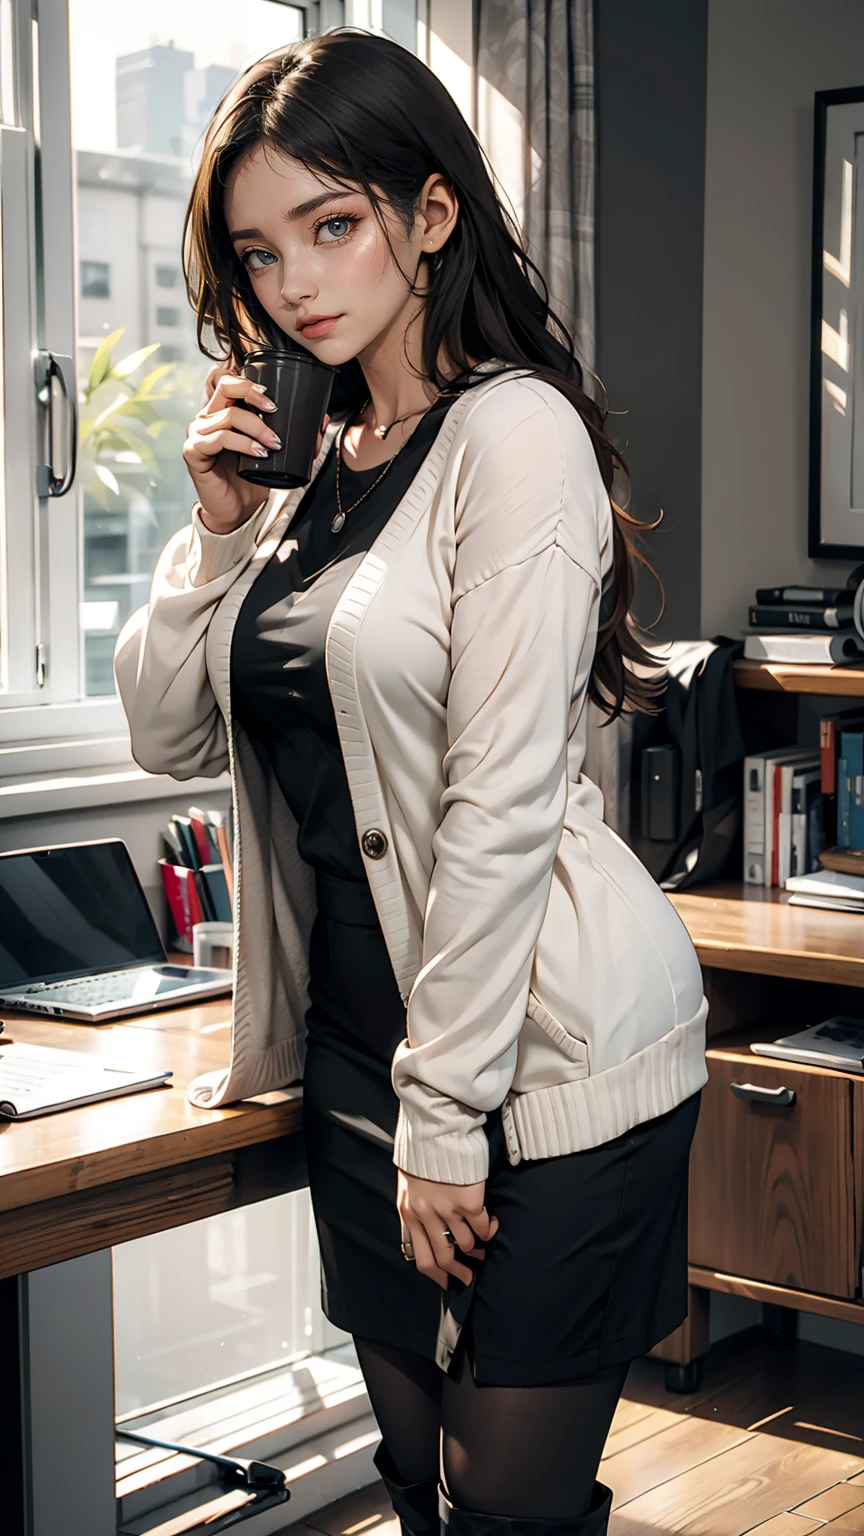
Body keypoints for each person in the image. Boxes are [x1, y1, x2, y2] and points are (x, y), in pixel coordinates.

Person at [115, 29, 707, 1536]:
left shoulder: (516, 435)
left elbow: (502, 800)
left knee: (508, 1506)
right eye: (259, 253)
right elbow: (171, 735)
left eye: (332, 223)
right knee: (416, 1486)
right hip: (355, 1059)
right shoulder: (313, 469)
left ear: (430, 216)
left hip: (548, 1064)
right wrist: (223, 528)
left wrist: (448, 1122)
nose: (296, 282)